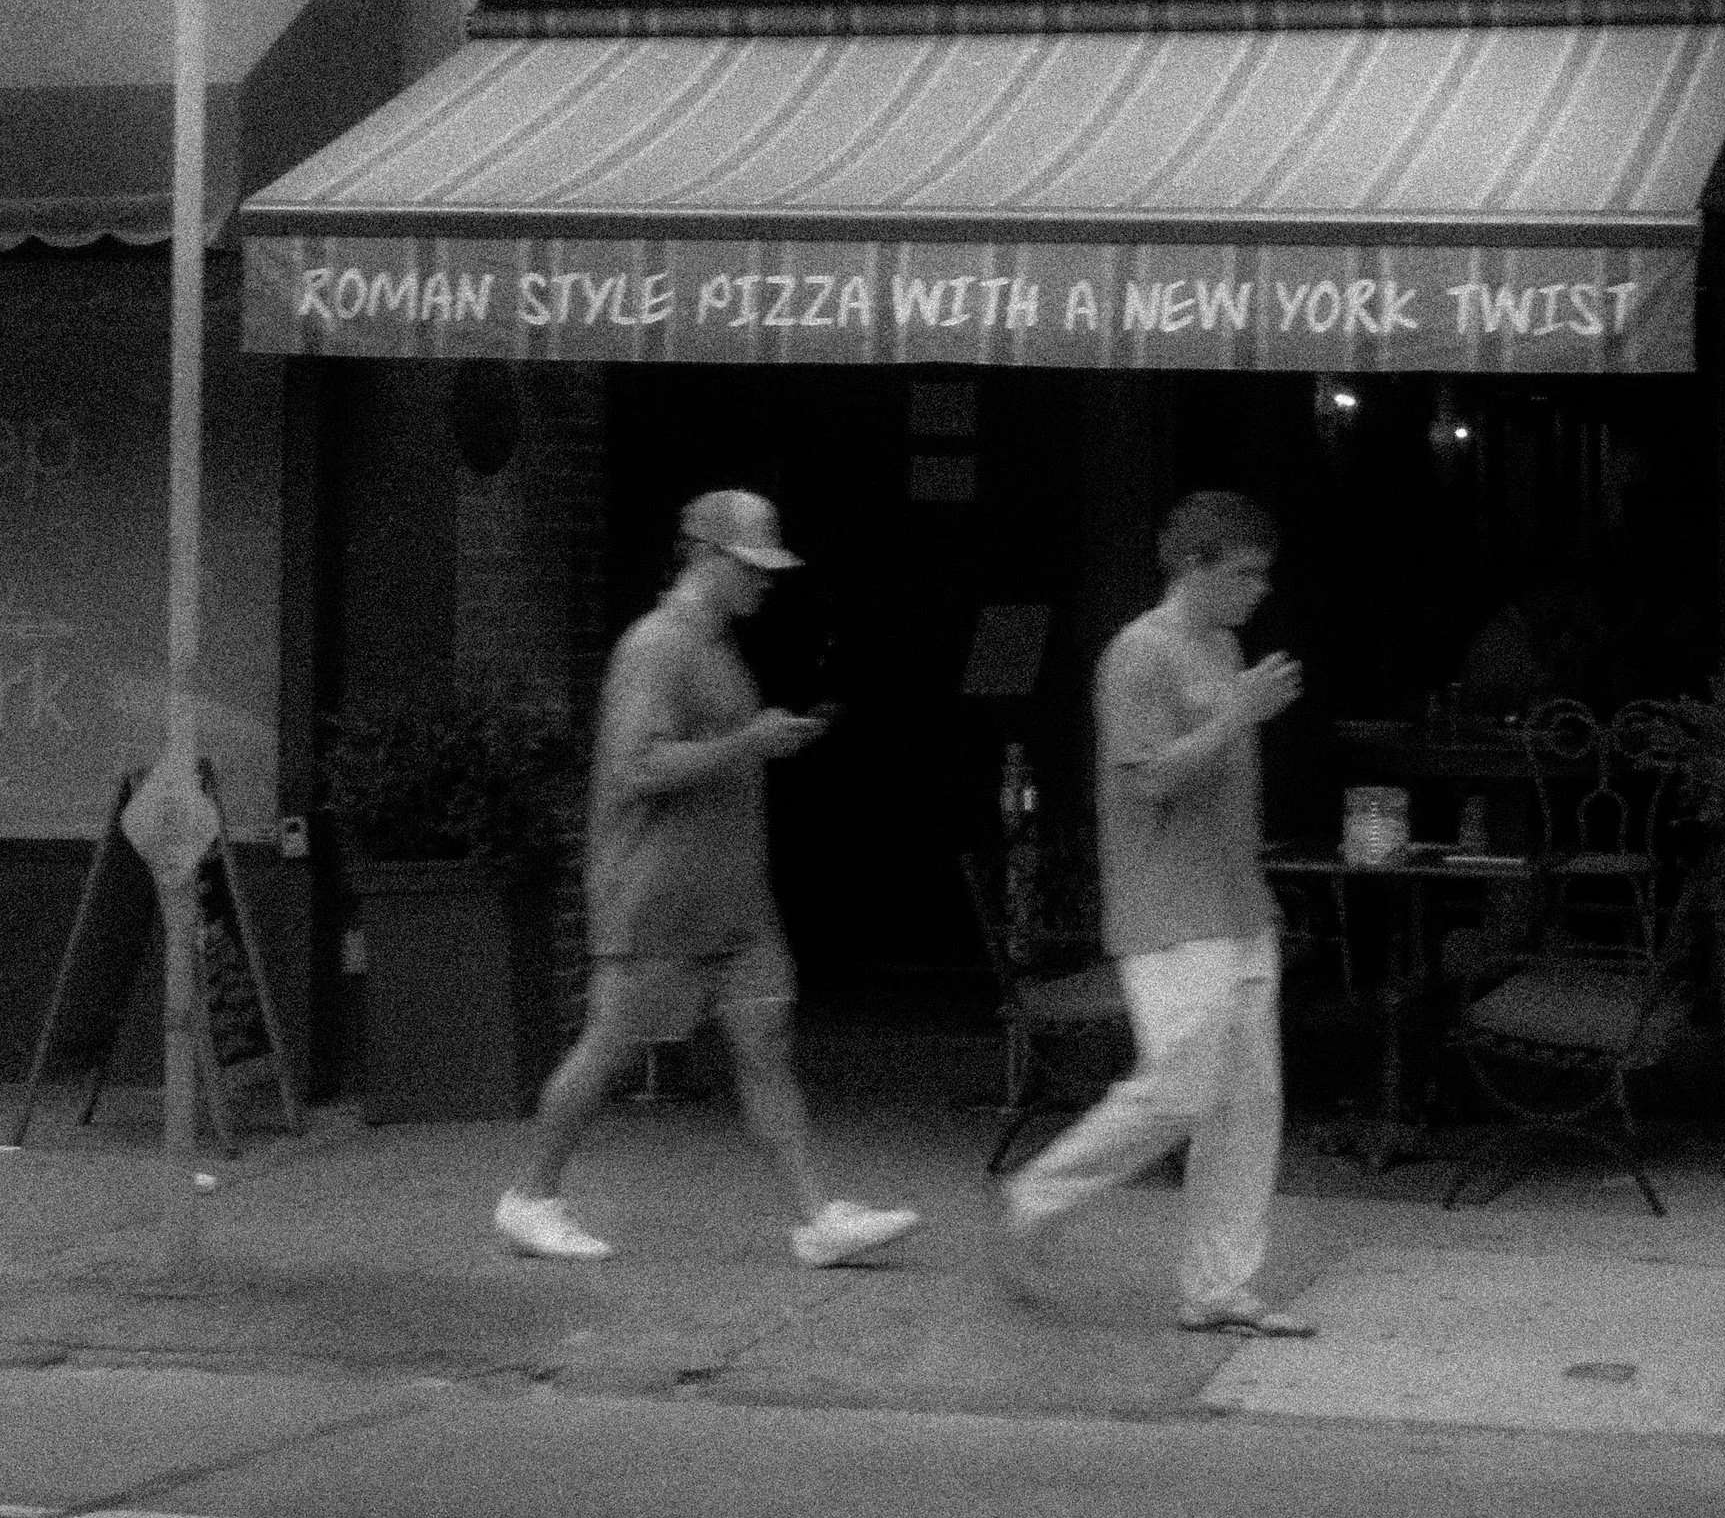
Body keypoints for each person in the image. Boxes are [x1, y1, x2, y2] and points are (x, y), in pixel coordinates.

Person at [494, 488, 919, 1271]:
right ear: (706, 556)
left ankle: (816, 1216)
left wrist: (755, 740)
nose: (765, 580)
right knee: (609, 1047)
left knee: (764, 1044)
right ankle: (531, 1198)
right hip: (657, 893)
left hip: (725, 896)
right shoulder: (658, 645)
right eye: (752, 565)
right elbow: (636, 765)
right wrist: (749, 741)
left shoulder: (713, 644)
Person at [996, 489, 1316, 1337]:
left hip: (1235, 902)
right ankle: (1038, 1193)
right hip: (1168, 908)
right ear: (1193, 564)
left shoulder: (1221, 643)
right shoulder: (1137, 653)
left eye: (1262, 573)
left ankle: (1219, 1288)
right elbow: (1148, 779)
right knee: (1179, 1088)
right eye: (1244, 572)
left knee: (1248, 1105)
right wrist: (1241, 712)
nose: (1258, 589)